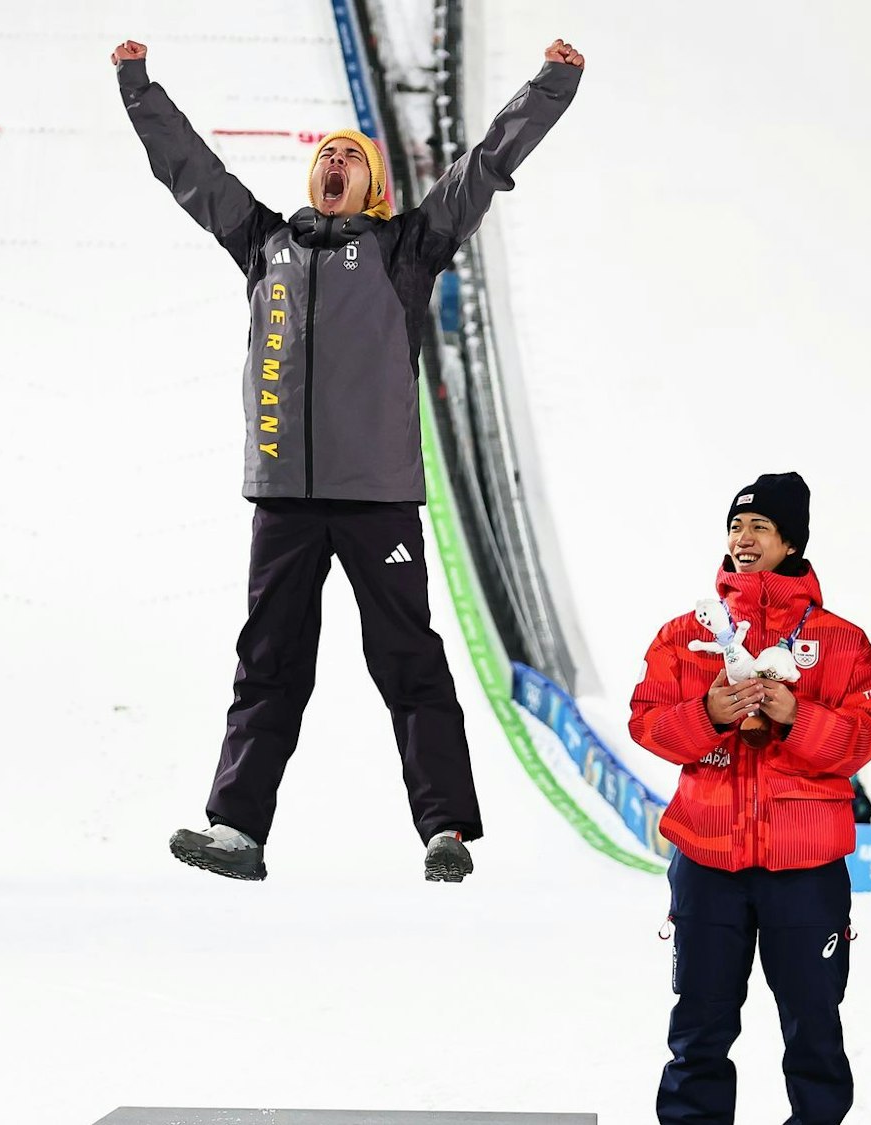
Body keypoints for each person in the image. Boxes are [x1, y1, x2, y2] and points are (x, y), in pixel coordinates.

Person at [113, 34, 585, 882]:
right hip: (283, 499)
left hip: (378, 500)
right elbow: (191, 171)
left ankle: (445, 830)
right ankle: (237, 831)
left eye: (351, 156)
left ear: (374, 185)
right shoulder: (264, 243)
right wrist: (137, 87)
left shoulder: (407, 248)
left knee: (408, 659)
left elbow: (484, 167)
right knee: (267, 664)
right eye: (326, 156)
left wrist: (549, 85)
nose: (335, 162)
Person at [630, 472, 871, 1125]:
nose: (743, 538)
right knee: (698, 1027)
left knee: (814, 1028)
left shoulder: (844, 642)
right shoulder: (683, 635)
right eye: (735, 526)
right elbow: (647, 722)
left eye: (760, 527)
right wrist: (709, 713)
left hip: (807, 870)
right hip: (707, 862)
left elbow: (865, 737)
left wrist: (797, 715)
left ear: (792, 541)